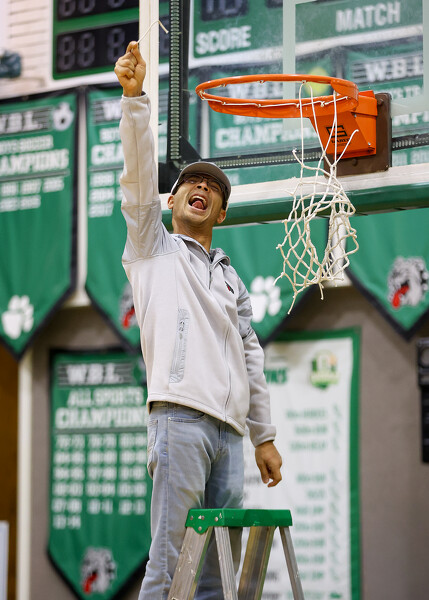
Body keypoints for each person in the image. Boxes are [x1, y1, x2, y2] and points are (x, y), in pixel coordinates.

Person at [114, 42, 283, 600]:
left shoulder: (231, 279)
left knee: (216, 577)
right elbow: (138, 184)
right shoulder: (152, 249)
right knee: (168, 567)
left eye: (214, 188)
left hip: (230, 435)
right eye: (193, 182)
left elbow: (251, 357)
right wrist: (135, 101)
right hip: (179, 421)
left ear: (222, 212)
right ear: (173, 200)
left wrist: (263, 436)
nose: (203, 187)